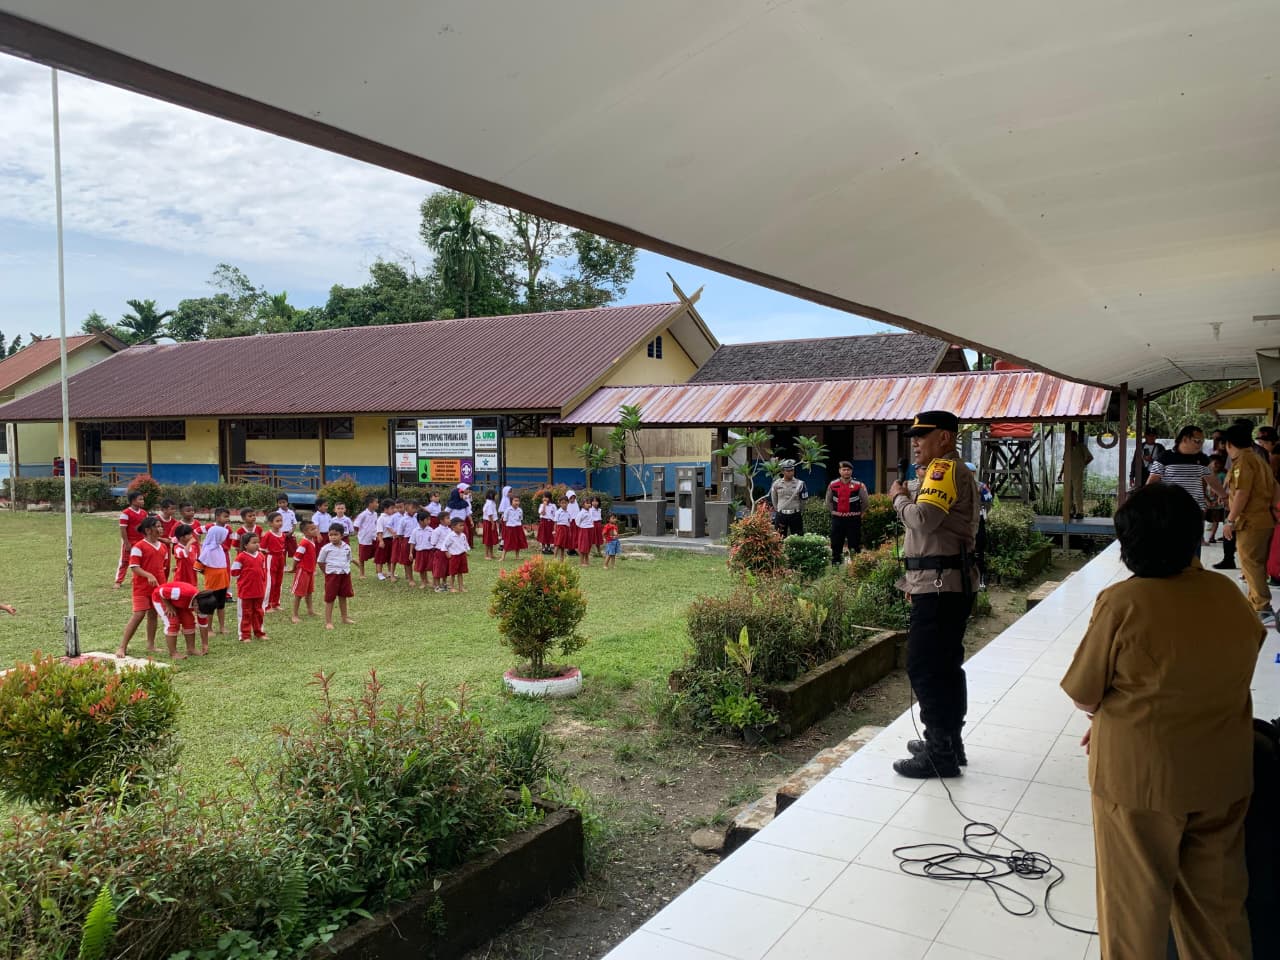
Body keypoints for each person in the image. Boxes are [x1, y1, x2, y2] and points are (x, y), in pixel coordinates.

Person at [1061, 483, 1260, 959]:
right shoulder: (1229, 595)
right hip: (1222, 778)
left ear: (1129, 547)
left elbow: (1084, 692)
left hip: (1141, 784)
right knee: (1218, 915)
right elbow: (1230, 668)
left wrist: (1116, 713)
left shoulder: (1122, 603)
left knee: (1135, 914)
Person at [888, 410, 980, 779]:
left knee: (925, 667)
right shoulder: (945, 472)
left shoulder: (943, 469)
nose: (915, 443)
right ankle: (949, 742)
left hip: (940, 586)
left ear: (944, 438)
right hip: (948, 583)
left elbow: (922, 519)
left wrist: (899, 498)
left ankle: (939, 750)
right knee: (945, 666)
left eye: (922, 436)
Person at [1223, 422, 1278, 627]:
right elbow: (1275, 490)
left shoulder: (1243, 461)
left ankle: (1262, 608)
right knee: (1257, 564)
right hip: (1264, 519)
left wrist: (1230, 520)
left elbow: (1242, 493)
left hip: (1251, 521)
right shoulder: (1259, 458)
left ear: (1229, 445)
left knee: (1250, 564)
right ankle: (1255, 603)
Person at [1146, 425, 1226, 558]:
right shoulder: (1165, 457)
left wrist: (1225, 496)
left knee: (1193, 548)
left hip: (1195, 510)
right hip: (1170, 510)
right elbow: (1152, 481)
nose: (1200, 445)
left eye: (1202, 442)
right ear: (1184, 439)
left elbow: (1212, 481)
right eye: (1197, 441)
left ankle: (1192, 573)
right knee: (1171, 546)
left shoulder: (1202, 459)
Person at [117, 516, 168, 658]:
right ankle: (122, 646)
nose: (160, 529)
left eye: (161, 526)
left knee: (153, 614)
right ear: (148, 530)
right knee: (139, 614)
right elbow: (134, 567)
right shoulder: (139, 547)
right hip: (141, 587)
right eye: (157, 526)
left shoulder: (163, 547)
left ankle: (151, 645)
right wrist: (149, 575)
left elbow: (162, 567)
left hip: (157, 587)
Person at [152, 581, 219, 659]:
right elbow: (161, 591)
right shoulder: (183, 593)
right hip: (161, 598)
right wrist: (169, 606)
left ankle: (191, 649)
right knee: (173, 623)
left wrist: (205, 644)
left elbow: (203, 625)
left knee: (189, 621)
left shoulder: (203, 605)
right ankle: (173, 653)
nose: (199, 613)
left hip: (178, 602)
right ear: (196, 603)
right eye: (198, 611)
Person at [824, 460, 869, 564]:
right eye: (844, 470)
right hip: (838, 519)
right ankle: (836, 567)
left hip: (853, 519)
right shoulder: (833, 484)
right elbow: (828, 501)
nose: (846, 472)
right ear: (840, 471)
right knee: (836, 544)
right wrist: (834, 512)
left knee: (854, 544)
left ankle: (856, 567)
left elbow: (866, 502)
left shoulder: (858, 485)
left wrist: (858, 513)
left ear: (851, 471)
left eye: (848, 470)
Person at [230, 531, 268, 642]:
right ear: (245, 545)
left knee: (259, 612)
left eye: (258, 542)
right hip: (246, 591)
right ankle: (244, 635)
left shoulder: (261, 556)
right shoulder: (241, 557)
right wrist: (244, 581)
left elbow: (263, 571)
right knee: (245, 614)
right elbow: (234, 572)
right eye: (253, 542)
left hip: (259, 590)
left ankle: (259, 632)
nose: (257, 544)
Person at [198, 510, 232, 634]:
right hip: (212, 583)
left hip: (223, 582)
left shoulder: (220, 548)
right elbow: (198, 566)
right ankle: (209, 628)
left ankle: (222, 627)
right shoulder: (207, 550)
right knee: (210, 606)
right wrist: (209, 574)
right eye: (222, 536)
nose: (224, 538)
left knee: (221, 605)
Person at [317, 525, 355, 628]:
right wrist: (326, 572)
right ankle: (328, 622)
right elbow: (320, 562)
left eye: (336, 535)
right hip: (332, 575)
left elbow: (349, 559)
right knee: (330, 598)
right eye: (331, 535)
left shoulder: (347, 547)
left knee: (343, 596)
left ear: (342, 535)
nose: (333, 537)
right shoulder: (326, 548)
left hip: (344, 574)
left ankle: (344, 617)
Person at [114, 490, 149, 588]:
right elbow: (123, 528)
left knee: (141, 561)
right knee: (125, 561)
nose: (143, 501)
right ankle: (118, 581)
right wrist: (126, 542)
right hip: (129, 540)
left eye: (143, 499)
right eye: (140, 499)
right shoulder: (125, 513)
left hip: (141, 541)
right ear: (133, 501)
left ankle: (136, 579)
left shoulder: (144, 513)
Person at [290, 519, 319, 622]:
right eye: (312, 529)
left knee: (309, 591)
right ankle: (294, 615)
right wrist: (293, 568)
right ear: (305, 532)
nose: (315, 530)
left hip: (310, 571)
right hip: (303, 571)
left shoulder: (312, 540)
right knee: (299, 594)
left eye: (315, 528)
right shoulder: (304, 543)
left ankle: (310, 610)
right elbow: (296, 557)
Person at [769, 459, 808, 537]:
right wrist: (778, 509)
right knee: (779, 538)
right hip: (781, 515)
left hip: (795, 514)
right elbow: (774, 498)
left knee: (798, 538)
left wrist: (799, 510)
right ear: (783, 472)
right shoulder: (776, 484)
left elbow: (803, 500)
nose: (791, 472)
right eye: (788, 471)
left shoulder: (800, 484)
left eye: (792, 470)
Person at [261, 511, 287, 613]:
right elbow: (262, 549)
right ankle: (266, 605)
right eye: (277, 521)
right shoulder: (268, 535)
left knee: (279, 581)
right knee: (270, 582)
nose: (280, 523)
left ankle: (275, 603)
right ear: (270, 523)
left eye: (281, 520)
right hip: (271, 559)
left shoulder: (283, 535)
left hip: (280, 558)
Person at [1065, 430, 1093, 519]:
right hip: (1068, 472)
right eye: (1070, 437)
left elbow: (1090, 457)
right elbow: (1064, 461)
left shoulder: (1081, 446)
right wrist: (1061, 472)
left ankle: (1080, 512)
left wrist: (1082, 465)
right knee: (1068, 493)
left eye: (1073, 437)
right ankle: (1070, 511)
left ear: (1076, 437)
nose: (1072, 439)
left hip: (1077, 472)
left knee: (1077, 492)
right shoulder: (1067, 448)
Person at [353, 495, 379, 578]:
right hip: (364, 539)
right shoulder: (363, 515)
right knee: (362, 557)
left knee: (377, 555)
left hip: (374, 538)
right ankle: (362, 574)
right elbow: (356, 526)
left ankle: (378, 572)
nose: (378, 504)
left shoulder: (375, 514)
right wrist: (360, 534)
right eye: (376, 502)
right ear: (370, 504)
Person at [1206, 453, 1228, 543]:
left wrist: (1219, 498)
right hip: (1208, 502)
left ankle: (1212, 536)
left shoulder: (1222, 475)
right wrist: (1206, 500)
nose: (1215, 465)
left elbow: (1224, 488)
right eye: (1213, 463)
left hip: (1219, 503)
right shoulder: (1205, 475)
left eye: (1217, 463)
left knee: (1216, 520)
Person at [445, 516, 471, 592]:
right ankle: (452, 587)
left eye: (463, 525)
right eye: (460, 525)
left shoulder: (463, 535)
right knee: (453, 573)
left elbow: (465, 544)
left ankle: (461, 587)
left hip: (462, 555)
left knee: (461, 572)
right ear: (453, 527)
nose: (462, 527)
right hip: (454, 556)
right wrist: (447, 553)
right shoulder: (450, 536)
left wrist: (466, 551)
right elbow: (445, 545)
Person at [410, 511, 435, 589]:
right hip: (420, 552)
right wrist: (410, 553)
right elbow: (412, 542)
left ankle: (434, 582)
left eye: (429, 519)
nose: (429, 521)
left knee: (432, 567)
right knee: (421, 568)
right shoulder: (415, 531)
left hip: (430, 551)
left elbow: (434, 541)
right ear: (421, 521)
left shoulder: (431, 530)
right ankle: (423, 582)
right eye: (427, 520)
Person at [374, 498, 396, 581]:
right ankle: (379, 573)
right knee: (380, 558)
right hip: (383, 540)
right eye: (392, 508)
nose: (394, 510)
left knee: (390, 557)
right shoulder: (381, 518)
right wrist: (381, 541)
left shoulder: (393, 517)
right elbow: (379, 531)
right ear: (385, 509)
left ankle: (390, 572)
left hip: (391, 540)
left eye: (394, 508)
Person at [501, 494, 528, 561]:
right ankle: (503, 557)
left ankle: (517, 556)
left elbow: (520, 519)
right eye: (515, 501)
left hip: (518, 527)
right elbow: (505, 519)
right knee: (507, 542)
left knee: (518, 542)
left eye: (518, 501)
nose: (517, 502)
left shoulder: (520, 510)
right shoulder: (508, 510)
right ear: (511, 502)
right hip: (510, 528)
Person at [430, 514, 452, 591]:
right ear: (442, 520)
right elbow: (433, 542)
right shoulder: (437, 530)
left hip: (448, 552)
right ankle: (437, 585)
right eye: (447, 518)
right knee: (438, 568)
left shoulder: (449, 530)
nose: (449, 520)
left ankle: (444, 583)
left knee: (445, 568)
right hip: (439, 552)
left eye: (449, 518)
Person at [275, 494, 297, 562]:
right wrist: (280, 533)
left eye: (284, 502)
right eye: (280, 503)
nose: (282, 504)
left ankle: (295, 566)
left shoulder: (291, 512)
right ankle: (283, 565)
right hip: (281, 534)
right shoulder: (277, 513)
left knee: (294, 550)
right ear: (277, 504)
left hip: (290, 534)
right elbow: (275, 524)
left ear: (287, 502)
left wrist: (292, 531)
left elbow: (294, 523)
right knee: (282, 550)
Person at [575, 500, 595, 566]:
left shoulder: (591, 511)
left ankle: (587, 561)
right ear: (583, 505)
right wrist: (582, 527)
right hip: (584, 529)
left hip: (590, 529)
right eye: (587, 503)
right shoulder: (581, 513)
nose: (589, 504)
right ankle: (581, 562)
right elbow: (577, 521)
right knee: (583, 546)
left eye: (589, 503)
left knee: (588, 545)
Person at [481, 489, 500, 560]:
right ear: (492, 495)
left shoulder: (492, 502)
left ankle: (491, 554)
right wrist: (492, 524)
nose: (497, 496)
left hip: (492, 522)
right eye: (496, 495)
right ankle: (486, 555)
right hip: (489, 522)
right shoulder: (489, 504)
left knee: (491, 539)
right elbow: (490, 514)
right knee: (488, 539)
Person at [553, 495, 572, 562]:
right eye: (562, 503)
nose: (564, 504)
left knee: (563, 545)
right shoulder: (558, 512)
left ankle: (562, 558)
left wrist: (569, 531)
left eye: (565, 503)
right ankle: (554, 558)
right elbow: (555, 522)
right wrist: (554, 531)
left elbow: (569, 521)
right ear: (560, 503)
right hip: (560, 529)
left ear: (568, 503)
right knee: (558, 544)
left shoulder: (568, 512)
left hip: (566, 529)